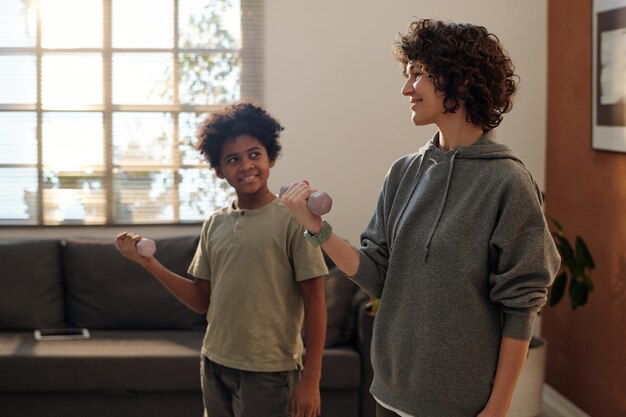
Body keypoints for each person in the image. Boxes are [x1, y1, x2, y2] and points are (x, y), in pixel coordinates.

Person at [281, 18, 561, 417]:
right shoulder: (404, 172)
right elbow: (377, 275)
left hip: (462, 405)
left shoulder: (508, 182)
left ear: (460, 81)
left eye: (418, 74)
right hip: (390, 394)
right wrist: (316, 228)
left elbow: (521, 307)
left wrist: (497, 408)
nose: (406, 88)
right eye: (406, 74)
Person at [116, 102, 329, 417]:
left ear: (270, 156)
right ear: (219, 170)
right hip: (214, 363)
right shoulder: (214, 223)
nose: (245, 165)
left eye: (254, 154)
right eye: (233, 159)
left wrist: (311, 379)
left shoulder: (293, 219)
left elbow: (315, 300)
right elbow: (202, 300)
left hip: (270, 371)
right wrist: (149, 263)